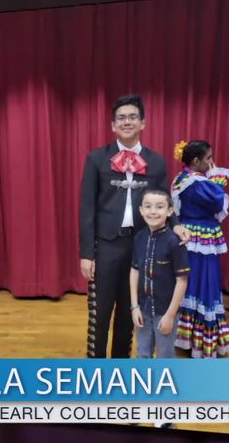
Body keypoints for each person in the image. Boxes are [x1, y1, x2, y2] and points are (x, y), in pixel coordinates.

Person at [79, 94, 190, 358]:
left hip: (141, 245)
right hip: (106, 246)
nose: (126, 122)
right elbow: (86, 208)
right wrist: (86, 254)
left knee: (130, 310)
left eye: (132, 117)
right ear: (113, 125)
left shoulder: (156, 161)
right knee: (100, 312)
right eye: (121, 118)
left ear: (143, 123)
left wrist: (176, 225)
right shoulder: (97, 159)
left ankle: (120, 364)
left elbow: (164, 199)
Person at [171, 140, 229, 358]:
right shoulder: (199, 182)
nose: (211, 162)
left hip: (187, 234)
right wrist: (218, 180)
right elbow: (218, 202)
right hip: (203, 237)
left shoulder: (181, 178)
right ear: (196, 161)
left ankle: (186, 336)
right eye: (208, 158)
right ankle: (200, 340)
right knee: (205, 282)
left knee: (189, 282)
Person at [130, 189, 190, 359]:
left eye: (159, 207)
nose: (153, 211)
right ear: (141, 210)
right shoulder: (139, 237)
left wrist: (170, 315)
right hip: (142, 310)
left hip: (165, 312)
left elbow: (182, 281)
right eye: (148, 206)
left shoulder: (175, 242)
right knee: (142, 353)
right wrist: (134, 306)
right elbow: (134, 270)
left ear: (169, 211)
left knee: (165, 355)